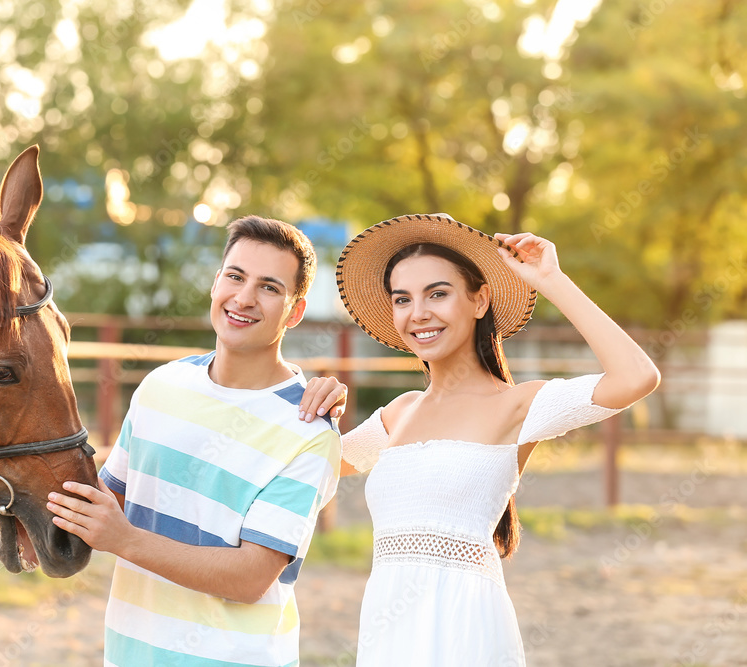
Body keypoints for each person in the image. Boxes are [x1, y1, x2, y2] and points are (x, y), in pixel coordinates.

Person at [335, 213, 660, 665]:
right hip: (389, 634)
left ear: (480, 299)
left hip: (466, 633)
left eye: (438, 294)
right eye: (402, 299)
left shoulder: (518, 407)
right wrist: (308, 392)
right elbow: (312, 462)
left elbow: (637, 376)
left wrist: (552, 280)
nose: (419, 313)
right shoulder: (398, 414)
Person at [46, 215, 346, 667]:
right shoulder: (160, 385)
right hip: (131, 654)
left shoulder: (309, 429)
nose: (244, 298)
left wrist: (125, 541)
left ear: (295, 310)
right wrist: (17, 505)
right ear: (215, 282)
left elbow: (250, 578)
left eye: (269, 287)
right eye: (235, 276)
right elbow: (109, 502)